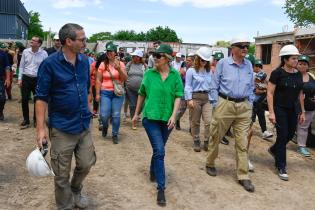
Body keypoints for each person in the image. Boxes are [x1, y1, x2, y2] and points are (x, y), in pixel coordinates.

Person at [35, 23, 96, 210]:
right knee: (61, 173)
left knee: (86, 163)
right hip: (62, 127)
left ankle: (76, 189)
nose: (85, 43)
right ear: (68, 41)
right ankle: (65, 205)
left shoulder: (85, 62)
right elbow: (41, 98)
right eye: (82, 39)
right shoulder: (49, 64)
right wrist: (41, 129)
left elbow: (86, 89)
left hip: (83, 123)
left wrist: (87, 109)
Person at [132, 44, 183, 206]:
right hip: (151, 118)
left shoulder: (175, 76)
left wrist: (174, 116)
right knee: (160, 150)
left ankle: (153, 169)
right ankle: (161, 188)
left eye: (159, 56)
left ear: (167, 58)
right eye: (154, 55)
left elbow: (178, 96)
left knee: (158, 150)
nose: (155, 58)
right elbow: (141, 94)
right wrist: (136, 114)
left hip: (167, 120)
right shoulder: (148, 74)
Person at [206, 38, 255, 192]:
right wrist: (215, 103)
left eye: (247, 46)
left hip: (244, 106)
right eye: (241, 46)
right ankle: (210, 163)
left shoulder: (248, 64)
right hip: (224, 104)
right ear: (233, 49)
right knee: (216, 136)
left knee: (242, 141)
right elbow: (214, 84)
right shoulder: (223, 63)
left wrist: (250, 103)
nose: (245, 49)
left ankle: (243, 175)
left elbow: (251, 85)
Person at [267, 44, 305, 181]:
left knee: (289, 135)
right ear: (285, 59)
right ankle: (281, 166)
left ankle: (274, 149)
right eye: (294, 58)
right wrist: (271, 112)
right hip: (280, 109)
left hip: (293, 110)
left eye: (297, 58)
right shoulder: (277, 73)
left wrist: (302, 112)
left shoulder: (298, 74)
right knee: (283, 136)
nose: (296, 61)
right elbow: (270, 93)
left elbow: (300, 94)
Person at [95, 41, 128, 144]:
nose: (109, 53)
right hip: (105, 92)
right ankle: (105, 126)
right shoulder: (102, 64)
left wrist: (119, 69)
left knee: (116, 114)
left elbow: (124, 78)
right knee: (104, 115)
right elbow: (98, 80)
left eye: (111, 51)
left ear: (115, 53)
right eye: (108, 51)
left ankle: (114, 134)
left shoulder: (121, 64)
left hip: (117, 93)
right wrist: (97, 93)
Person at [185, 47, 212, 152]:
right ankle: (196, 140)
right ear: (197, 59)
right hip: (195, 97)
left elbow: (212, 86)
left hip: (207, 98)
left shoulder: (209, 71)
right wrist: (189, 99)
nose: (204, 62)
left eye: (206, 60)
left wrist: (214, 99)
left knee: (209, 121)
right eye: (202, 60)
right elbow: (188, 86)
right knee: (195, 121)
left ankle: (206, 140)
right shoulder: (191, 71)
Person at [18, 36, 48, 129]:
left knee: (37, 100)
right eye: (32, 40)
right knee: (24, 99)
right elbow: (21, 66)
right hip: (26, 78)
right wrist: (20, 78)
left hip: (38, 79)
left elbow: (46, 67)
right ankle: (26, 120)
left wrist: (44, 80)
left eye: (34, 40)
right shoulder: (26, 52)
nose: (32, 41)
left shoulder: (44, 53)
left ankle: (36, 120)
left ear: (39, 44)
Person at [295, 55, 315, 157]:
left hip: (311, 106)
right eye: (300, 64)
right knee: (302, 126)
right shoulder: (295, 76)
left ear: (308, 66)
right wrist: (302, 110)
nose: (302, 66)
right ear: (297, 65)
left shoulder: (311, 76)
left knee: (305, 126)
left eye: (305, 64)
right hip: (299, 106)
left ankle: (302, 144)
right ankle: (301, 146)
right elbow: (299, 95)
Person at [252, 59, 273, 139]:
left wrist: (263, 89)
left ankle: (264, 131)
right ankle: (264, 131)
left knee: (258, 115)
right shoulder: (262, 74)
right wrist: (264, 89)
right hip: (257, 100)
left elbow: (257, 89)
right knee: (258, 115)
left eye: (255, 66)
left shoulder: (261, 74)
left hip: (258, 100)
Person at [125, 49, 146, 129]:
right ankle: (134, 122)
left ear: (139, 57)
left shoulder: (144, 65)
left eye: (135, 56)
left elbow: (147, 76)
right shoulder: (129, 64)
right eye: (133, 56)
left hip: (141, 90)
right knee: (133, 105)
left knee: (141, 105)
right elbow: (124, 74)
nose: (133, 57)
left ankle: (136, 115)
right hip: (130, 88)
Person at [175, 53, 194, 130]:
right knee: (181, 109)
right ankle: (177, 120)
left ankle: (191, 127)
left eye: (189, 60)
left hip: (192, 93)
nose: (187, 61)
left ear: (193, 61)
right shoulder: (184, 68)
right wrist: (181, 74)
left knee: (192, 111)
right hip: (183, 91)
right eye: (187, 60)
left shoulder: (195, 70)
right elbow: (178, 78)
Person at [0, 42, 11, 121]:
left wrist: (7, 79)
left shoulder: (3, 54)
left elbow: (7, 67)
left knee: (2, 98)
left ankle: (0, 112)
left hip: (1, 78)